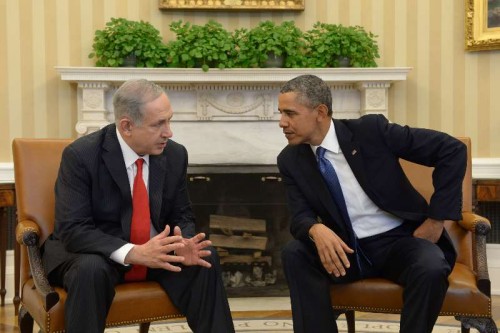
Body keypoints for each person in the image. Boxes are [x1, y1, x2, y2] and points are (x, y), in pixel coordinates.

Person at [42, 79, 235, 333]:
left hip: (155, 254)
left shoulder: (175, 155)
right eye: (159, 124)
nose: (169, 132)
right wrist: (133, 252)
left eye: (169, 120)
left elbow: (181, 213)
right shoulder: (81, 156)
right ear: (127, 126)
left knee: (204, 261)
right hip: (98, 254)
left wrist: (184, 241)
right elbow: (73, 229)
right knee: (90, 270)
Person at [277, 75, 466, 333]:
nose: (282, 123)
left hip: (400, 241)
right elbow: (300, 216)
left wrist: (436, 219)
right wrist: (315, 229)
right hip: (346, 250)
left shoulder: (370, 131)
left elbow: (452, 150)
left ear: (320, 112)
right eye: (281, 114)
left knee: (431, 266)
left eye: (290, 113)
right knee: (295, 253)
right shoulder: (290, 160)